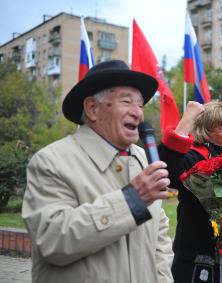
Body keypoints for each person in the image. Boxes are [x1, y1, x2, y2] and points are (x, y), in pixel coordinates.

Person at [22, 60, 174, 283]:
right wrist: (132, 200)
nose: (138, 114)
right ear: (92, 109)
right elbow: (52, 240)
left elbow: (160, 241)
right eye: (126, 101)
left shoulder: (143, 159)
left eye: (140, 105)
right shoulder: (51, 161)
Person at [159, 101, 222, 283]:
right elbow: (168, 169)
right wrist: (187, 120)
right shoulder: (194, 155)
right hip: (196, 245)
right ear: (207, 130)